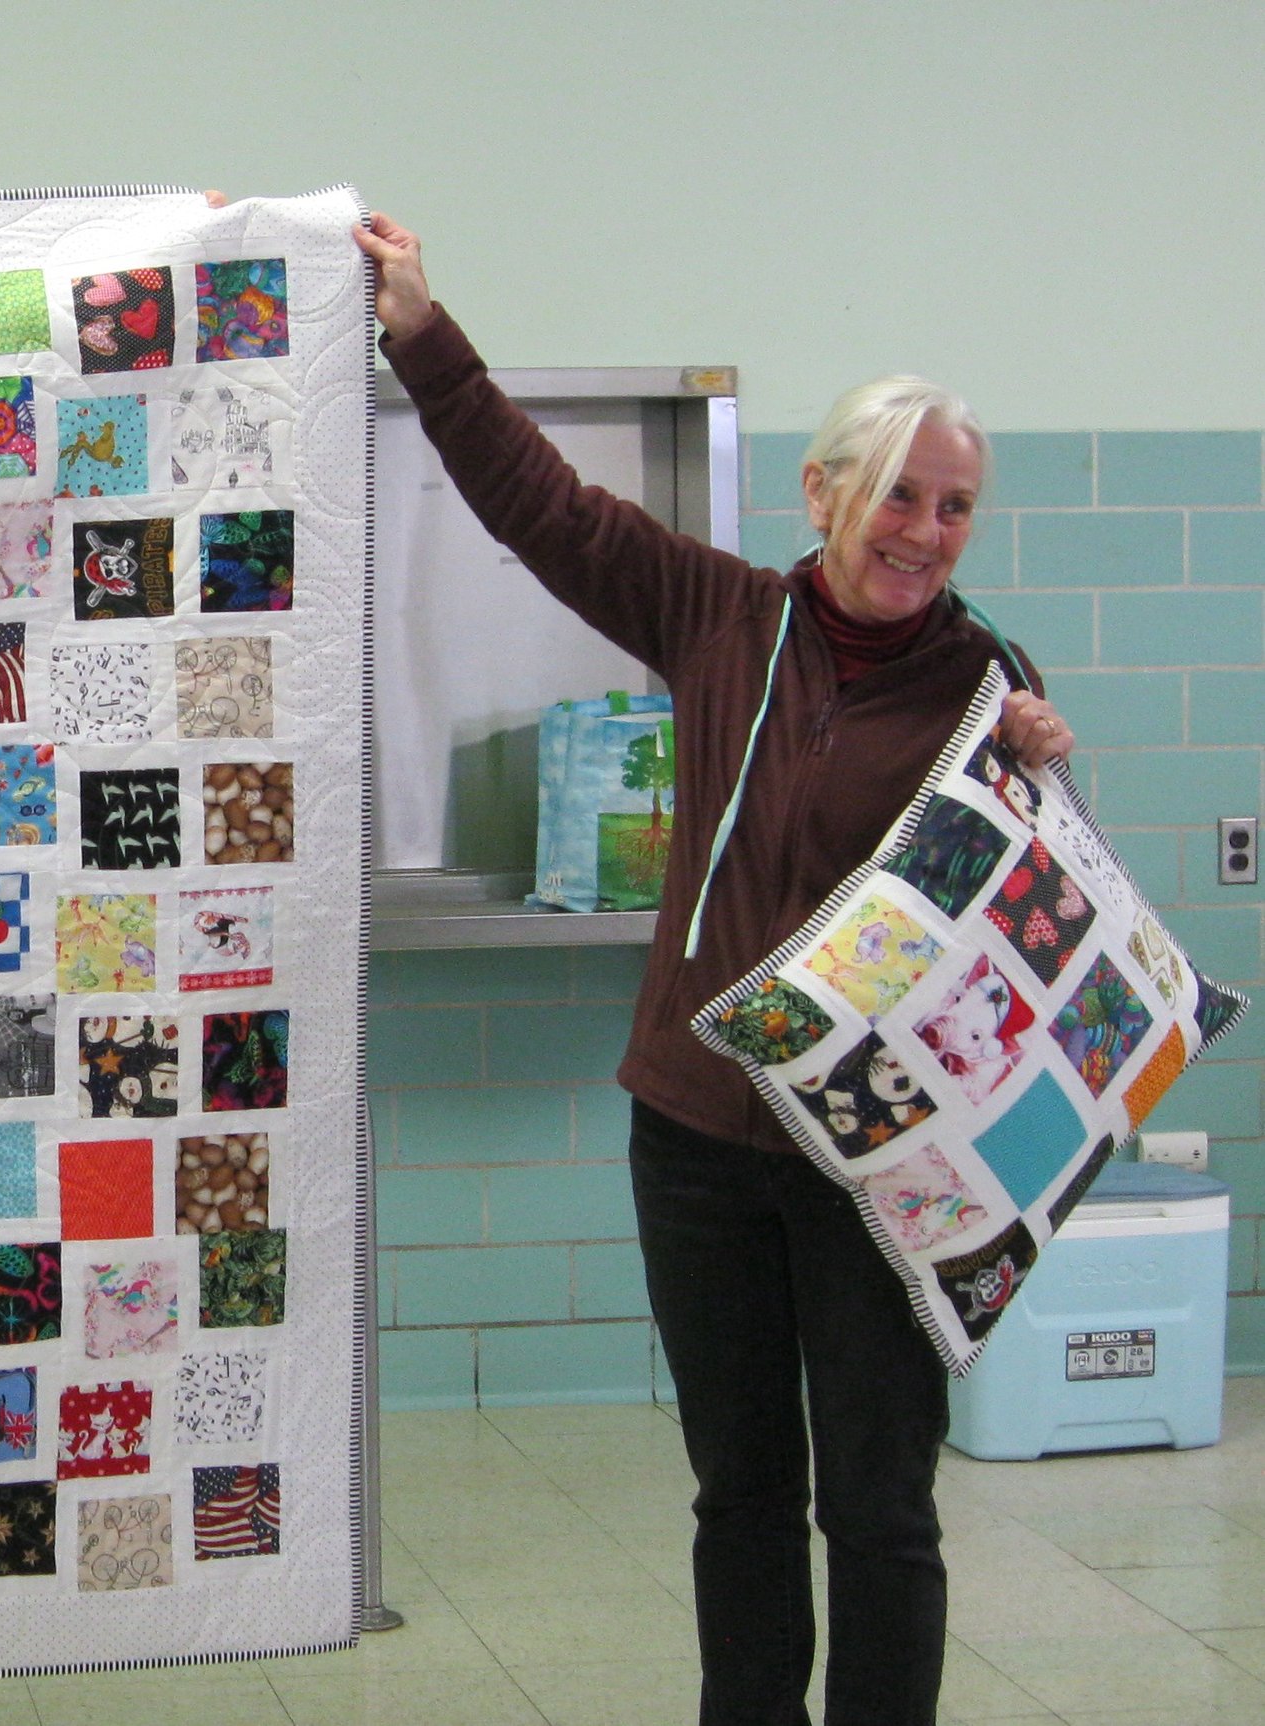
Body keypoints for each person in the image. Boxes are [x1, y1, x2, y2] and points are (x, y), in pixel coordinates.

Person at [357, 209, 1073, 1726]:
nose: (925, 531)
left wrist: (1044, 786)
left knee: (881, 1503)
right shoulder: (721, 618)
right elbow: (540, 506)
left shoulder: (989, 690)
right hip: (696, 1133)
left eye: (955, 508)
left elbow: (1029, 946)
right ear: (822, 490)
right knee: (740, 1490)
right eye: (898, 494)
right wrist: (422, 330)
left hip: (883, 1163)